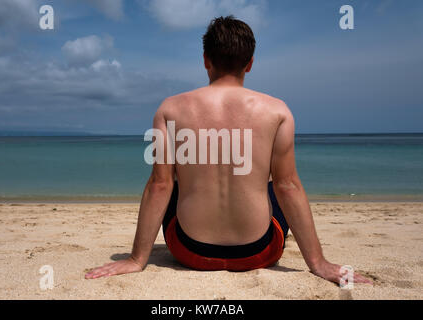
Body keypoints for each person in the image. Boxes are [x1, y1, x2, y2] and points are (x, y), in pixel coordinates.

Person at [86, 16, 371, 285]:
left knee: (169, 180)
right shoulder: (277, 111)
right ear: (249, 64)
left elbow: (159, 186)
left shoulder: (170, 109)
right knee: (276, 184)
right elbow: (288, 187)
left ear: (205, 60)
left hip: (190, 251)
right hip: (258, 252)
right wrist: (318, 262)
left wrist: (137, 259)